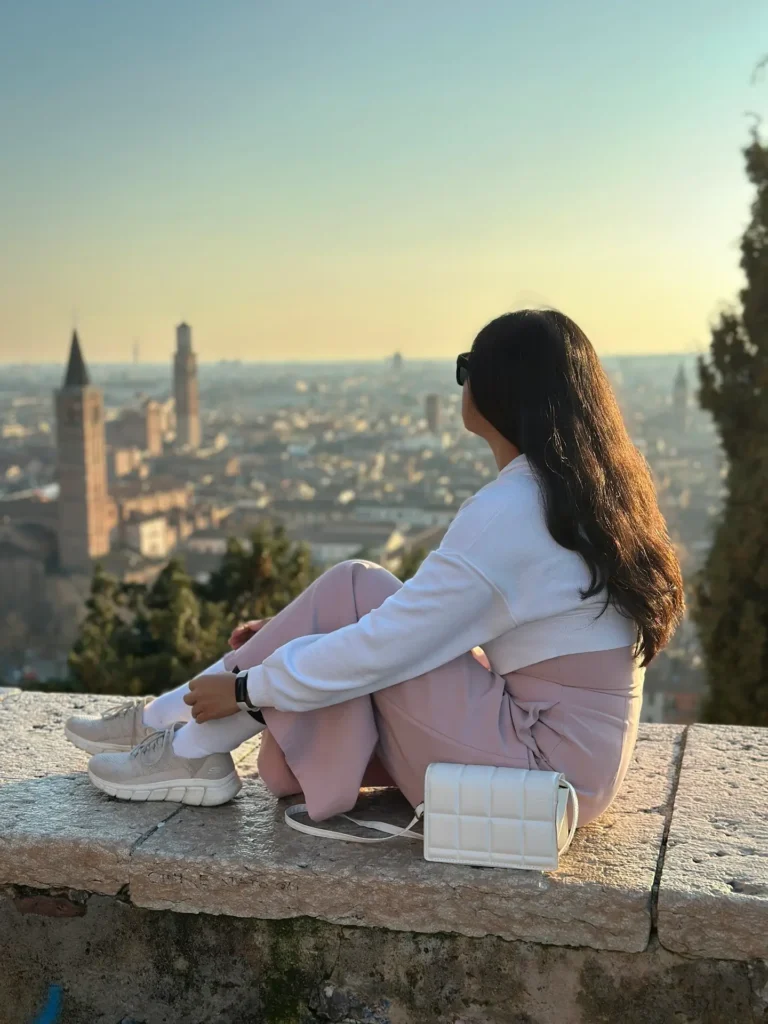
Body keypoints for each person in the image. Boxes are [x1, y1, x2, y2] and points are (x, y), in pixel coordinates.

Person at [65, 310, 683, 826]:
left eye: (466, 367)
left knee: (354, 599)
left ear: (499, 388)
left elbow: (390, 642)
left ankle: (185, 741)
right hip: (571, 762)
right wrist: (292, 646)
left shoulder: (514, 509)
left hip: (541, 772)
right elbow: (439, 625)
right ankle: (166, 722)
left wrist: (249, 688)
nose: (462, 382)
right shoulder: (586, 491)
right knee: (337, 630)